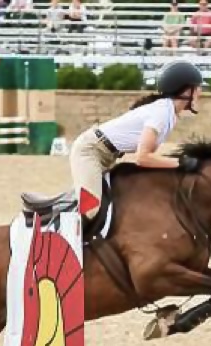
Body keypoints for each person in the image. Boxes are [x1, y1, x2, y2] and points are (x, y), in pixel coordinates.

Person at [69, 60, 203, 230]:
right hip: (90, 151)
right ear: (185, 90)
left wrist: (177, 164)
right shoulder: (161, 113)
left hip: (107, 155)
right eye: (197, 88)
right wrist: (180, 163)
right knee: (91, 209)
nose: (200, 92)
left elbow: (149, 158)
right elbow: (143, 157)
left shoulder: (169, 114)